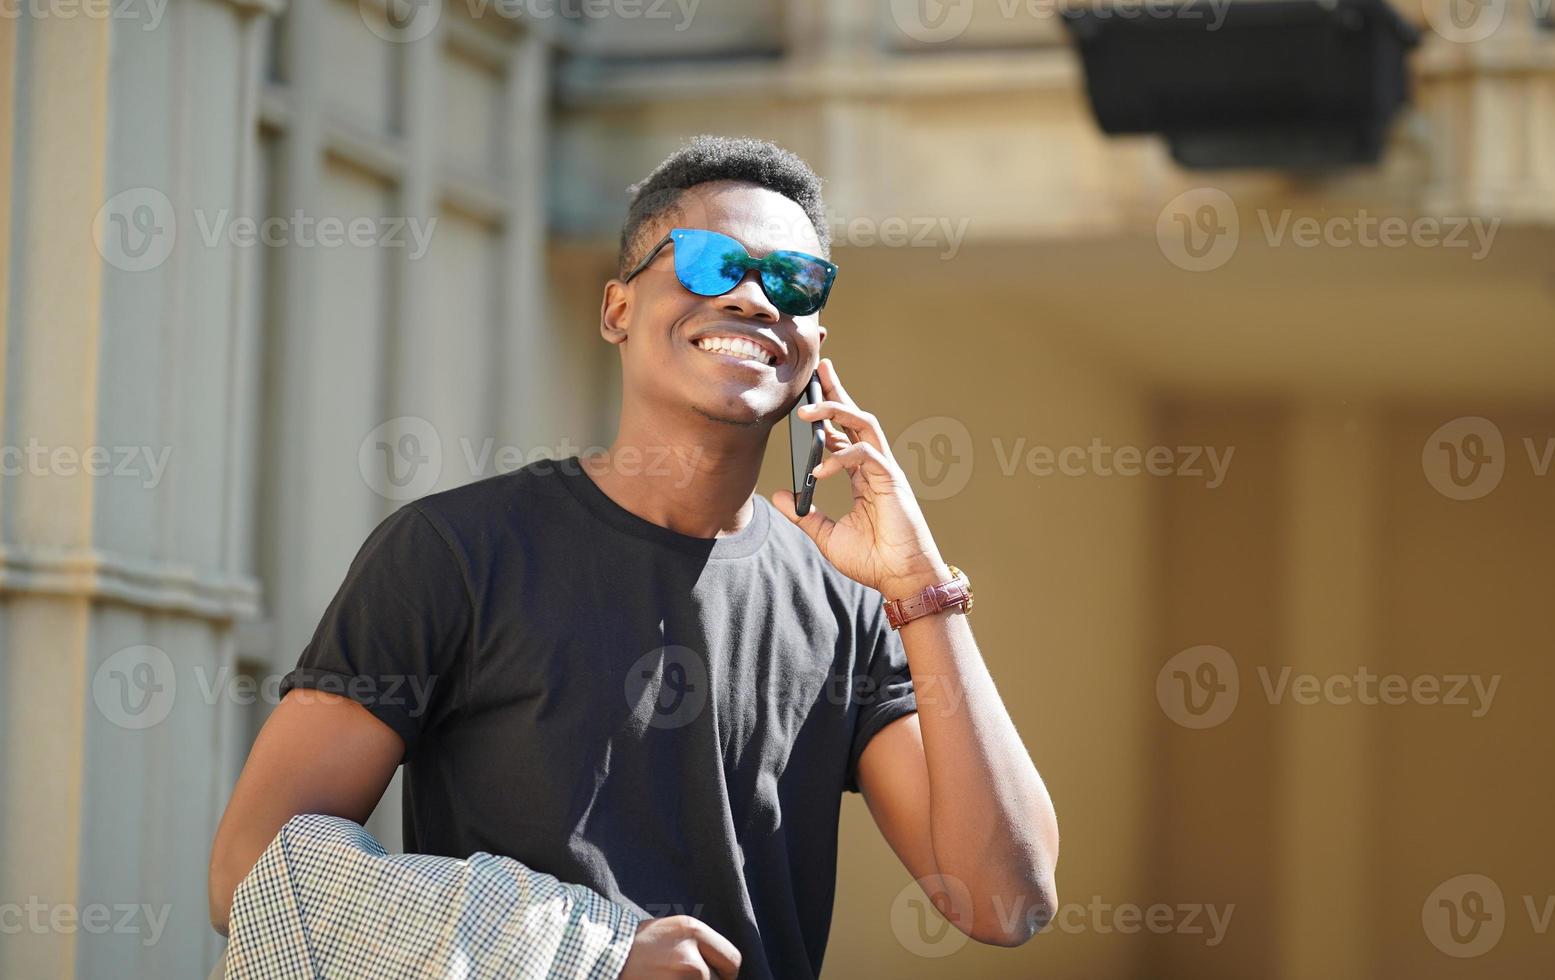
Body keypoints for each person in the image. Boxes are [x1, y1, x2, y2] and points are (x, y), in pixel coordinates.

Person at [209, 134, 1059, 979]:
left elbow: (1005, 901)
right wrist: (591, 953)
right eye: (711, 263)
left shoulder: (853, 605)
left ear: (815, 346)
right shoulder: (453, 553)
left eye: (795, 281)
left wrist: (921, 588)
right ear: (617, 309)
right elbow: (251, 870)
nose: (758, 300)